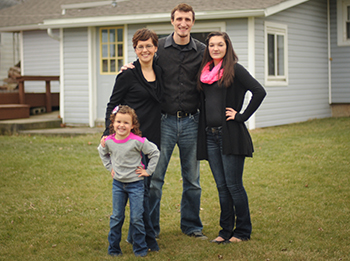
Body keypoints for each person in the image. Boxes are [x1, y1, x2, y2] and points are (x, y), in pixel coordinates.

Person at [197, 32, 266, 243]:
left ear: (227, 47)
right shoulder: (205, 72)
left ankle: (242, 231)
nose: (215, 48)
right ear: (207, 48)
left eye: (220, 44)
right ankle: (225, 231)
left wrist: (241, 115)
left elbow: (259, 91)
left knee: (234, 185)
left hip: (231, 136)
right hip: (210, 136)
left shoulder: (235, 69)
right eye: (211, 45)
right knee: (221, 186)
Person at [148, 3, 206, 239]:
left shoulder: (202, 50)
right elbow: (143, 66)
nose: (183, 23)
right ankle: (151, 228)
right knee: (154, 178)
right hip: (164, 122)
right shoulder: (158, 47)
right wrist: (127, 68)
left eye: (188, 19)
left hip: (192, 121)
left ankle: (191, 226)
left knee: (192, 180)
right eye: (179, 19)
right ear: (172, 21)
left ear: (193, 22)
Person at [101, 28, 161, 252]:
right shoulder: (127, 74)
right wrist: (107, 134)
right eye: (140, 46)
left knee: (148, 189)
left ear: (155, 48)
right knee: (141, 190)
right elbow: (112, 104)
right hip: (130, 141)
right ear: (135, 49)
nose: (145, 50)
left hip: (152, 138)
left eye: (148, 46)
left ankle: (140, 236)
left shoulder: (160, 71)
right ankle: (145, 240)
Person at [98, 105, 160, 257]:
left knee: (137, 217)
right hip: (118, 185)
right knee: (117, 217)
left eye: (126, 122)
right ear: (113, 123)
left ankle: (140, 248)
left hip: (136, 185)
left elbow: (155, 152)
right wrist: (110, 167)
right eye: (118, 121)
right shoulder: (109, 141)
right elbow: (102, 152)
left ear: (132, 125)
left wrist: (148, 171)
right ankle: (113, 248)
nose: (122, 125)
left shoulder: (138, 141)